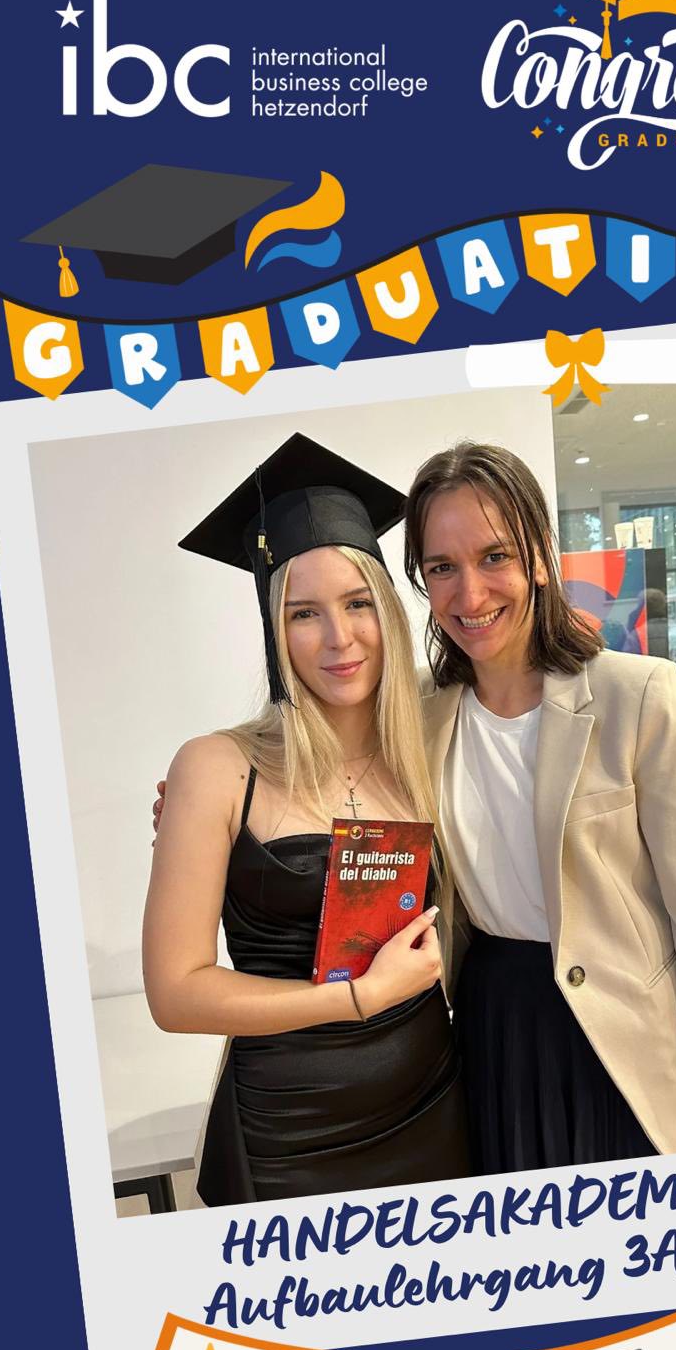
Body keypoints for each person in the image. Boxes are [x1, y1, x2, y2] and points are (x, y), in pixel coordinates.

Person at [403, 442, 676, 1171]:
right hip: (492, 1027)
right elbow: (314, 759)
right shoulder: (419, 715)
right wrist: (203, 802)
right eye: (441, 567)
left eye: (495, 556)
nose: (470, 594)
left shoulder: (638, 695)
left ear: (540, 555)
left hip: (622, 1035)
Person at [143, 434, 469, 1206]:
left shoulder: (433, 747)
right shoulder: (219, 768)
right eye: (303, 613)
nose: (338, 638)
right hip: (290, 1136)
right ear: (274, 630)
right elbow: (175, 993)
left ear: (388, 611)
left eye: (358, 603)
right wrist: (355, 999)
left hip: (435, 1107)